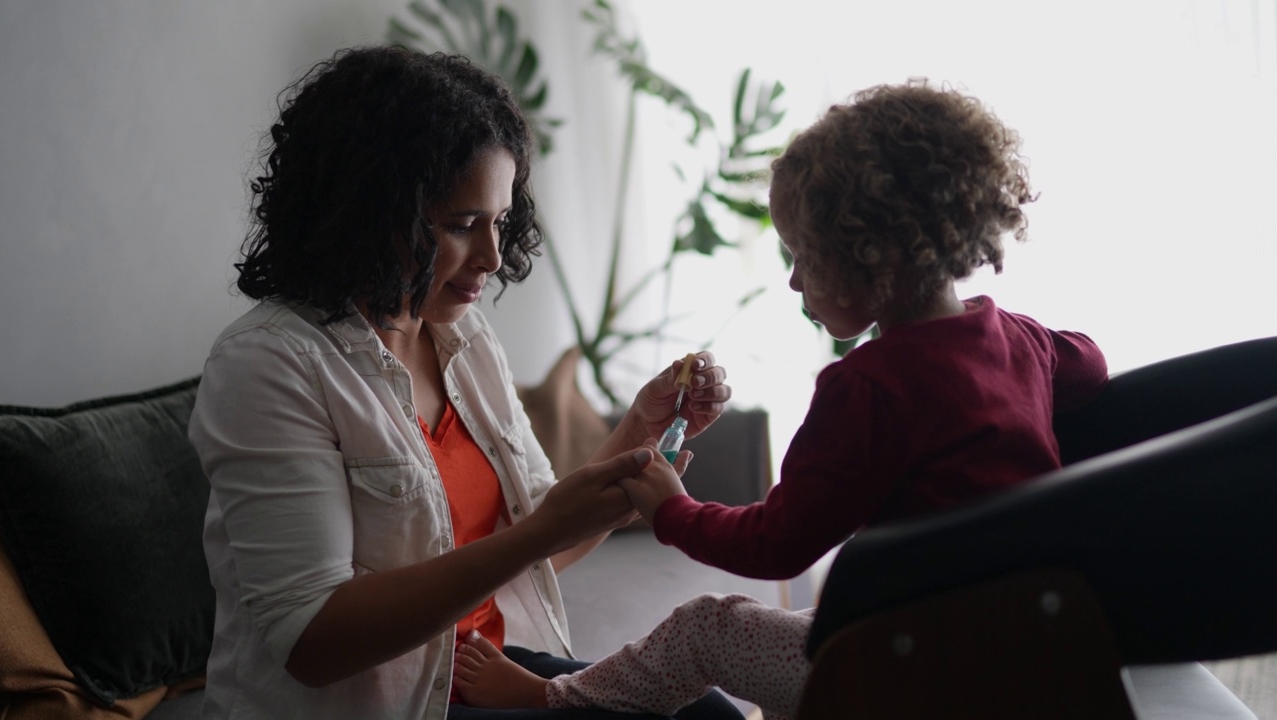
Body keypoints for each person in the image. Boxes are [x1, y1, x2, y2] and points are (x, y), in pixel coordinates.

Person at [449, 78, 1110, 719]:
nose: (794, 281)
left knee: (705, 629)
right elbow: (1094, 369)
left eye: (803, 256)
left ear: (867, 255)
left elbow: (777, 546)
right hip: (1024, 639)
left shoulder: (867, 387)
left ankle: (546, 697)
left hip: (914, 665)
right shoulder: (1020, 340)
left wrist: (671, 511)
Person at [186, 45, 744, 720]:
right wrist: (538, 534)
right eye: (461, 225)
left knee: (706, 711)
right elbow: (311, 640)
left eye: (501, 222)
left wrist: (640, 433)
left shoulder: (463, 335)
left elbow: (540, 544)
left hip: (482, 677)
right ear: (368, 211)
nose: (491, 257)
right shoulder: (269, 364)